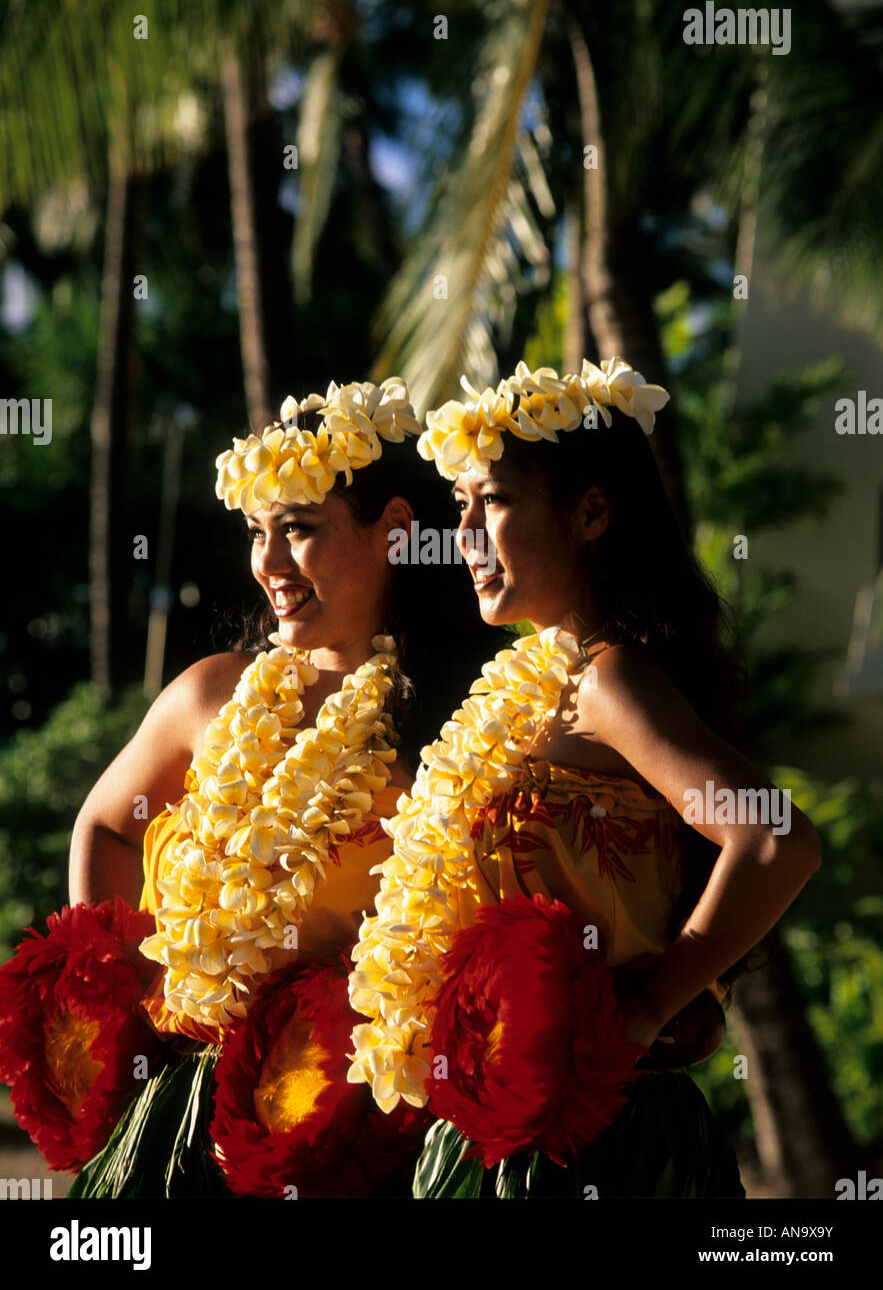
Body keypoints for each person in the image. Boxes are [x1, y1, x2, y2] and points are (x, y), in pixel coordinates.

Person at [346, 359, 822, 1198]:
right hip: (500, 1126)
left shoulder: (610, 681)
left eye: (492, 502)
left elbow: (775, 838)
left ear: (591, 511)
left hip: (594, 1139)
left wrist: (647, 1009)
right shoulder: (533, 686)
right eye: (460, 507)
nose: (464, 534)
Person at [58, 377, 502, 1197]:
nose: (267, 564)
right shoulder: (211, 693)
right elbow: (106, 827)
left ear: (396, 532)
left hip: (344, 1135)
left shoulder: (459, 735)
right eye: (258, 532)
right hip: (174, 1113)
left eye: (297, 530)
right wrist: (118, 996)